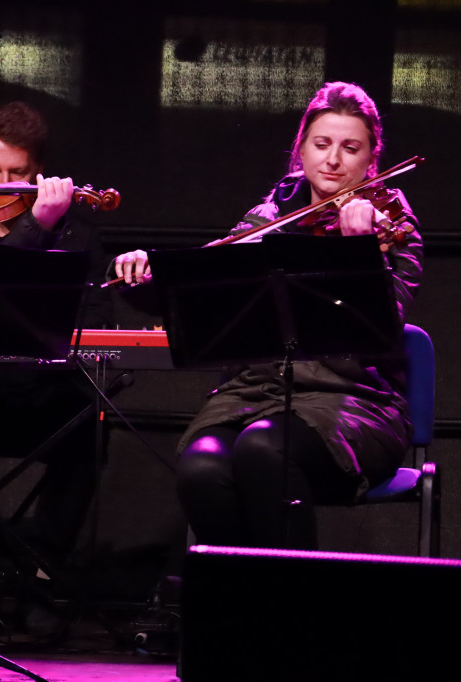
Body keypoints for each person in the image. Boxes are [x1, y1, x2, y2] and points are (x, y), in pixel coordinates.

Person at [113, 81, 423, 549]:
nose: (333, 159)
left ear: (370, 159)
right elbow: (205, 293)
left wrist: (361, 252)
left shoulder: (390, 223)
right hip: (254, 394)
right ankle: (243, 607)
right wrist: (146, 277)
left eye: (350, 147)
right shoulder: (268, 216)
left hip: (353, 401)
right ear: (301, 150)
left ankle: (287, 611)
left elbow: (384, 319)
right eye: (321, 144)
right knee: (201, 468)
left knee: (263, 450)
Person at [0, 102, 113, 626]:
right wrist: (35, 230)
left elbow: (94, 319)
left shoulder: (76, 232)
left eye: (18, 174)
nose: (4, 183)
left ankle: (39, 568)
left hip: (44, 389)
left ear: (39, 173)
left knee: (91, 429)